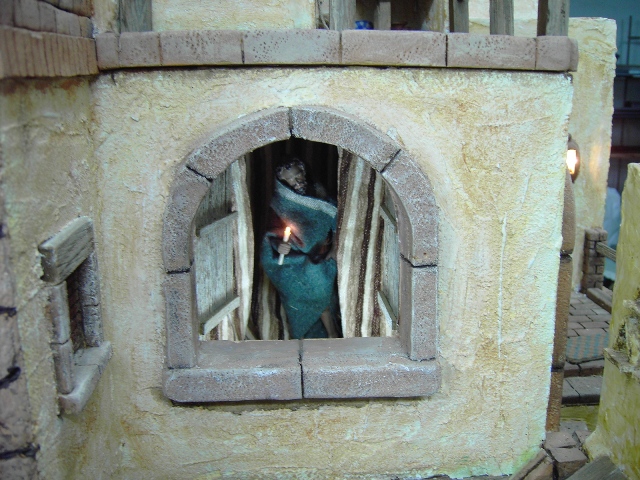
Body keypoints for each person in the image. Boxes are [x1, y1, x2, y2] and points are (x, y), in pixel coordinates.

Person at [260, 157, 340, 339]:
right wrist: (279, 246)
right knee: (299, 290)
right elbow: (272, 234)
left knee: (319, 284)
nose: (297, 182)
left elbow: (335, 218)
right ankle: (306, 330)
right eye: (291, 180)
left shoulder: (318, 193)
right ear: (282, 182)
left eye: (298, 175)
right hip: (292, 262)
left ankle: (331, 331)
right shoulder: (279, 204)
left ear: (304, 171)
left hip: (319, 255)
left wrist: (334, 246)